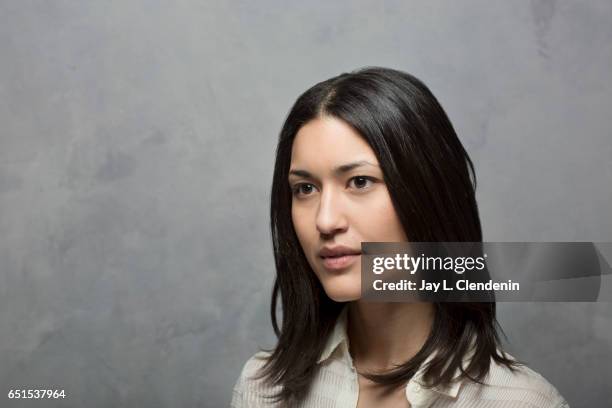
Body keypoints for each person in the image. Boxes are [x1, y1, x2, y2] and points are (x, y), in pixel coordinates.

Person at [231, 67, 569, 407]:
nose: (325, 219)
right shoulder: (262, 390)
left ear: (427, 193)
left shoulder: (523, 402)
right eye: (305, 188)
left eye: (360, 181)